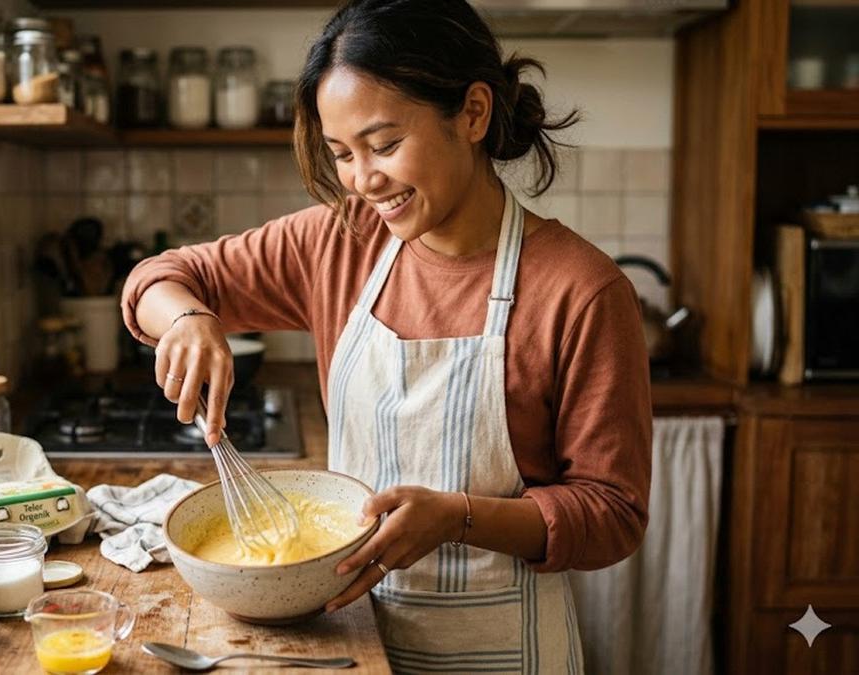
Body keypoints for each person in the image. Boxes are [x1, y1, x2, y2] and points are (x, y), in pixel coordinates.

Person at [121, 0, 651, 671]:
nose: (363, 181)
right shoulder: (338, 243)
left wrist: (458, 517)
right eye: (342, 154)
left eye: (385, 145)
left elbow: (613, 514)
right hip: (347, 646)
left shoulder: (582, 290)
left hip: (503, 653)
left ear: (474, 114)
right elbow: (157, 279)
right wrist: (190, 318)